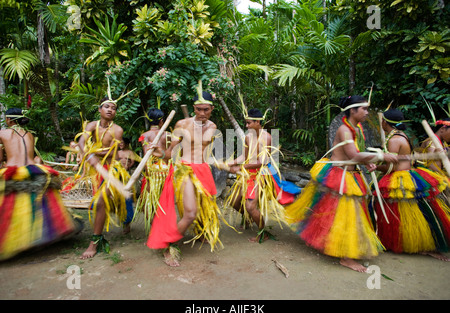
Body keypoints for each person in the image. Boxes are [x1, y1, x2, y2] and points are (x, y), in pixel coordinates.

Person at [285, 95, 398, 272]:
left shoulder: (356, 128)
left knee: (337, 214)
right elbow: (353, 155)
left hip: (350, 175)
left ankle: (336, 246)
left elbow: (356, 153)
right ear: (353, 110)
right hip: (339, 176)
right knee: (346, 216)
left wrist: (367, 161)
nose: (367, 112)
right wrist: (382, 156)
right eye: (364, 109)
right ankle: (346, 258)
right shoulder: (344, 130)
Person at [146, 81, 234, 267]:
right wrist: (159, 152)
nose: (202, 113)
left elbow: (207, 153)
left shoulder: (212, 126)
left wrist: (228, 166)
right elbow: (170, 153)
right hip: (184, 169)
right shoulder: (182, 124)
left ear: (212, 108)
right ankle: (169, 247)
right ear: (193, 107)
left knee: (204, 205)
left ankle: (201, 233)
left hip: (202, 169)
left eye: (206, 109)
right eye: (199, 109)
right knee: (190, 213)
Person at [0, 108, 81, 261]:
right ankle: (37, 237)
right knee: (35, 205)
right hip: (32, 169)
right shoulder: (30, 135)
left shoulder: (4, 133)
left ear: (9, 120)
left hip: (14, 170)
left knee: (13, 207)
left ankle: (21, 241)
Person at [372, 109, 450, 261]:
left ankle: (416, 245)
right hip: (408, 174)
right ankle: (421, 246)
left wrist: (376, 166)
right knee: (413, 214)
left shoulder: (394, 139)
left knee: (403, 213)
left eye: (382, 121)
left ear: (384, 122)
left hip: (399, 177)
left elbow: (391, 167)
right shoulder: (401, 135)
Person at [225, 103, 300, 242]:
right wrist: (232, 162)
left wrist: (242, 167)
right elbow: (244, 156)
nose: (246, 126)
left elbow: (263, 162)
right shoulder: (248, 137)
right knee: (234, 202)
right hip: (249, 172)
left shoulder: (267, 138)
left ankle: (262, 232)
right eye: (246, 123)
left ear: (257, 122)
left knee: (250, 206)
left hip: (261, 174)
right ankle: (248, 218)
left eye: (249, 123)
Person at [78, 93, 135, 259]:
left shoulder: (117, 130)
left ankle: (95, 242)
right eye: (107, 106)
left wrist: (93, 153)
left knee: (101, 201)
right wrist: (87, 155)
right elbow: (82, 141)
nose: (110, 110)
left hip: (112, 170)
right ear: (99, 109)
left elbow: (111, 152)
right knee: (101, 203)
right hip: (95, 169)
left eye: (114, 108)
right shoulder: (91, 125)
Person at [134, 106, 170, 235]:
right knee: (164, 204)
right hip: (166, 171)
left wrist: (148, 179)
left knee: (150, 205)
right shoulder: (168, 135)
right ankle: (161, 231)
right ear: (161, 121)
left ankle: (157, 231)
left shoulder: (145, 136)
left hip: (153, 173)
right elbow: (170, 154)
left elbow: (147, 158)